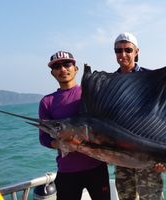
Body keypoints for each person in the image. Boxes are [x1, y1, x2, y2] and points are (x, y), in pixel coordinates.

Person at [39, 50, 110, 200]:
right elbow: (44, 138)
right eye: (57, 66)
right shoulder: (47, 102)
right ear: (52, 73)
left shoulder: (90, 93)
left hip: (97, 168)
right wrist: (59, 144)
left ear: (75, 69)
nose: (63, 69)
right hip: (67, 171)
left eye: (67, 64)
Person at [114, 32, 165, 200]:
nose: (123, 55)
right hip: (122, 158)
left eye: (128, 50)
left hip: (149, 155)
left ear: (137, 52)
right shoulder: (109, 83)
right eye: (118, 50)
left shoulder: (152, 79)